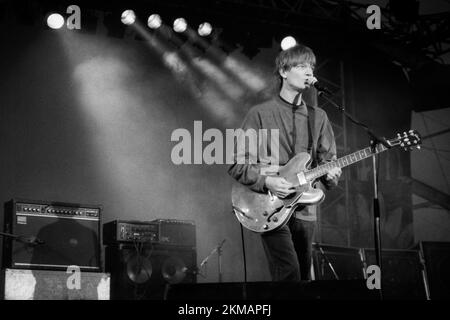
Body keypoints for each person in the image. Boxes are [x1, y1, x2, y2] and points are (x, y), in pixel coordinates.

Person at [228, 44, 341, 281]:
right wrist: (266, 181)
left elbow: (328, 161)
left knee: (303, 278)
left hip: (306, 209)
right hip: (269, 206)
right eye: (301, 66)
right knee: (288, 273)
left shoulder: (318, 117)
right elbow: (236, 162)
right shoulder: (260, 113)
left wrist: (332, 175)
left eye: (311, 67)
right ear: (283, 72)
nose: (309, 72)